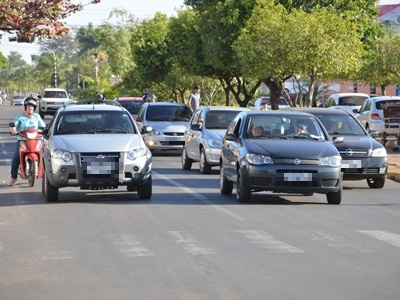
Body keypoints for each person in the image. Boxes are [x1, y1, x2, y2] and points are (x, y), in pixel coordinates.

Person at [8, 98, 46, 186]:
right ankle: (13, 178)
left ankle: (46, 175)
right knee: (15, 158)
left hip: (36, 139)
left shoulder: (37, 117)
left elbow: (43, 126)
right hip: (23, 140)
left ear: (34, 108)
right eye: (28, 106)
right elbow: (14, 125)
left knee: (45, 156)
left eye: (32, 107)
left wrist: (44, 131)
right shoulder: (20, 117)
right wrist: (13, 130)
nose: (30, 108)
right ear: (25, 107)